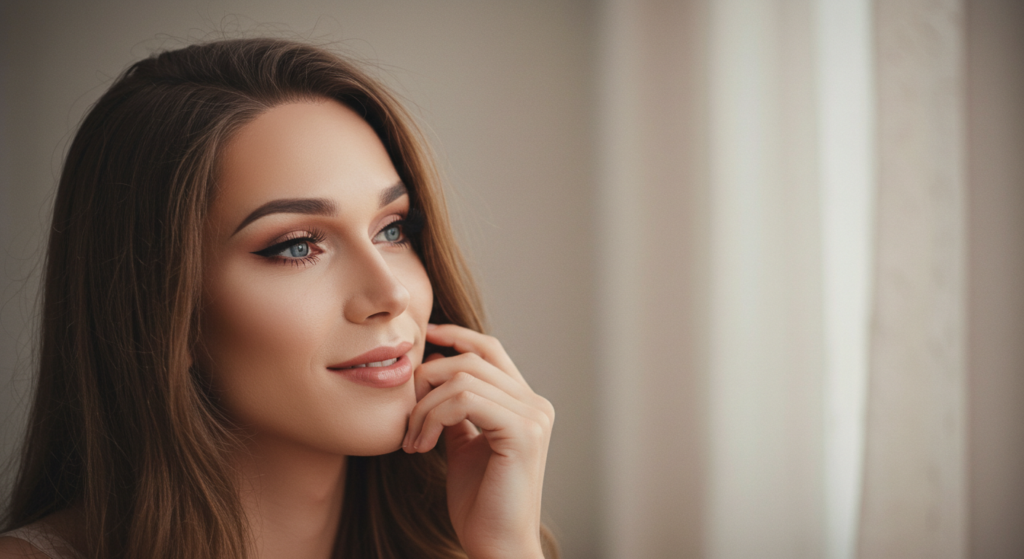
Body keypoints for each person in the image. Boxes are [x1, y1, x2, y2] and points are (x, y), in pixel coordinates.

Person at [0, 38, 556, 559]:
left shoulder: (477, 540)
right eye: (296, 247)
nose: (390, 294)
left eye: (392, 229)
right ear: (158, 309)